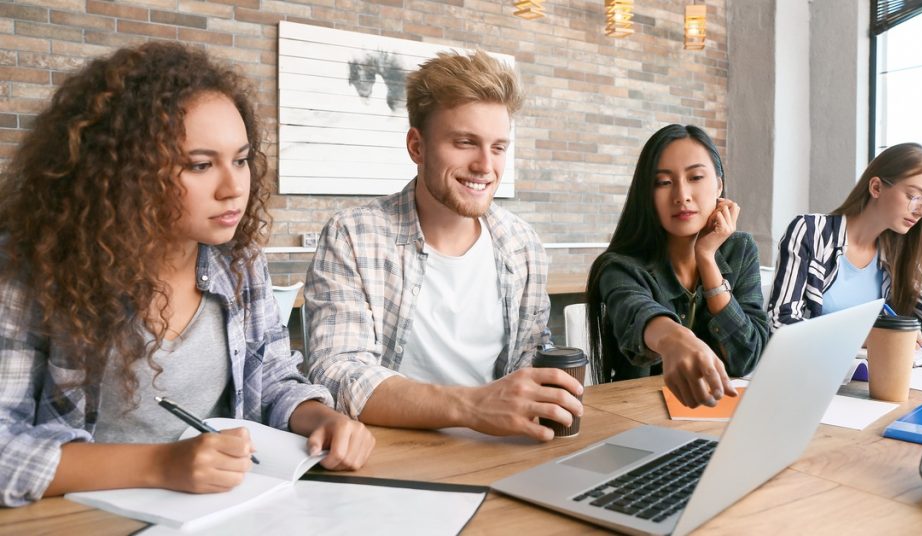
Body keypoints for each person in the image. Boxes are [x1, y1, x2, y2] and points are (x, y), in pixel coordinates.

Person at [0, 43, 374, 507]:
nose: (233, 187)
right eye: (200, 165)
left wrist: (319, 417)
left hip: (225, 510)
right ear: (123, 173)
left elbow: (272, 378)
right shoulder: (33, 270)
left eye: (240, 160)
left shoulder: (237, 259)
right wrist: (162, 465)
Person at [305, 50, 581, 442]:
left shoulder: (522, 245)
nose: (486, 165)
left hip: (502, 453)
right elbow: (337, 374)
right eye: (466, 142)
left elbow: (527, 361)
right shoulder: (352, 236)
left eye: (498, 147)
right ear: (417, 147)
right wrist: (472, 407)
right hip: (390, 460)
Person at [768, 142, 922, 356]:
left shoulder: (896, 252)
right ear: (876, 187)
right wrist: (862, 336)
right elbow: (781, 321)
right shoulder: (812, 231)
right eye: (916, 197)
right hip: (806, 372)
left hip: (864, 375)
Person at [584, 124, 768, 409]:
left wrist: (707, 258)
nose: (681, 194)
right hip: (639, 418)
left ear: (718, 184)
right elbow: (638, 313)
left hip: (722, 416)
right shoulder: (619, 267)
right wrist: (674, 340)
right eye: (663, 182)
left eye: (695, 177)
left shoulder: (739, 250)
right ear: (648, 193)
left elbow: (747, 356)